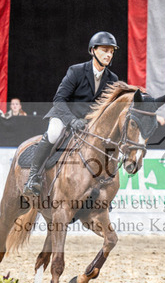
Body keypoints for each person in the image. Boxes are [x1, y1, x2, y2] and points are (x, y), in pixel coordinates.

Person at [23, 31, 119, 196]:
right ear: (93, 50)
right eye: (105, 50)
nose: (109, 55)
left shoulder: (112, 78)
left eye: (111, 51)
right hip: (64, 115)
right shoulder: (76, 71)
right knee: (53, 134)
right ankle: (33, 176)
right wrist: (71, 120)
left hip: (88, 122)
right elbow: (59, 99)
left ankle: (102, 187)